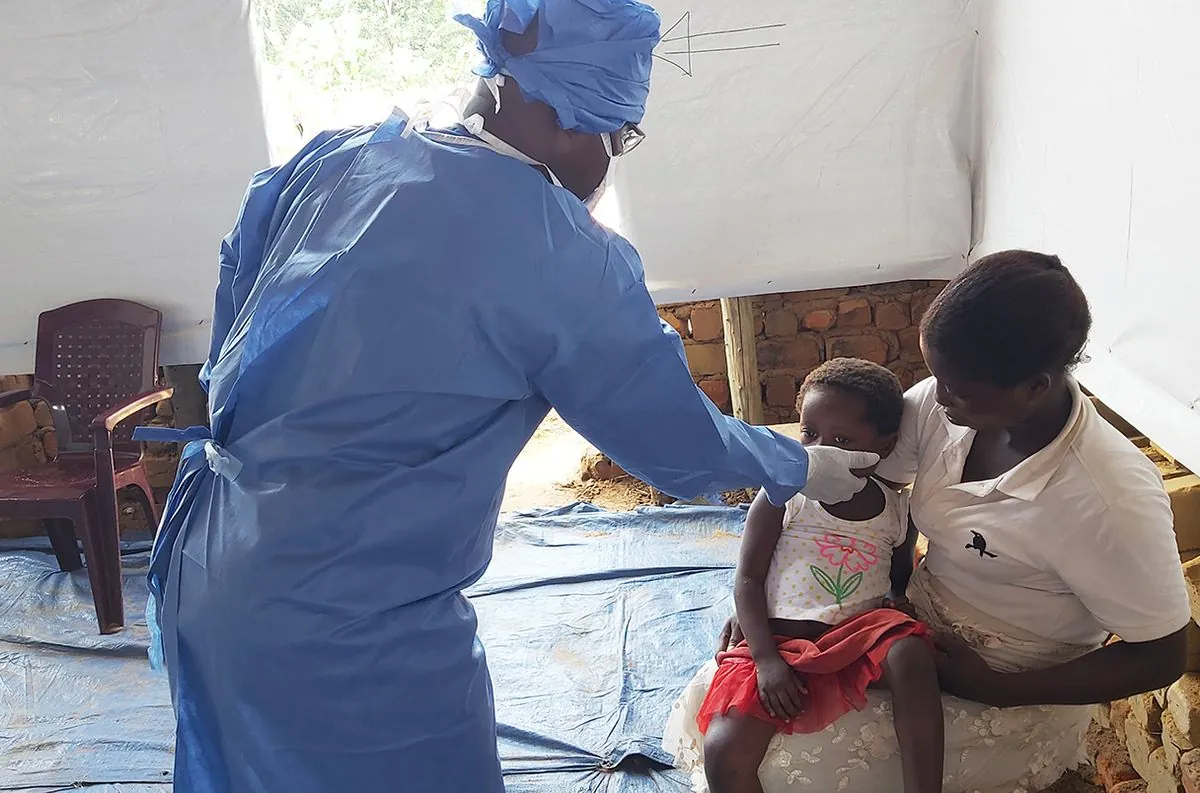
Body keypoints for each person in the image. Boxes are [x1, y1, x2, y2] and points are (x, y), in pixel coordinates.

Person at [138, 2, 879, 792]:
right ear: (572, 123)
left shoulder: (339, 158)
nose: (612, 160)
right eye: (620, 137)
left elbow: (236, 309)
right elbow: (673, 438)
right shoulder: (557, 248)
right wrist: (797, 464)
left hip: (206, 557)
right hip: (347, 618)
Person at [664, 250, 1190, 793]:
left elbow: (1161, 655)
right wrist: (772, 598)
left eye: (957, 387)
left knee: (786, 766)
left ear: (1034, 385)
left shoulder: (1106, 500)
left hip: (1010, 679)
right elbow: (856, 484)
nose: (936, 397)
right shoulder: (949, 406)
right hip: (899, 620)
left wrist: (1000, 689)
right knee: (728, 717)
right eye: (936, 374)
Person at [698, 359, 943, 793]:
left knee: (910, 653)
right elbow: (748, 580)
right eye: (810, 434)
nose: (820, 450)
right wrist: (767, 661)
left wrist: (900, 598)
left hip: (853, 640)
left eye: (843, 439)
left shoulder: (896, 509)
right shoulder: (783, 495)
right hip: (781, 641)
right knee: (722, 749)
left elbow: (898, 577)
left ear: (884, 446)